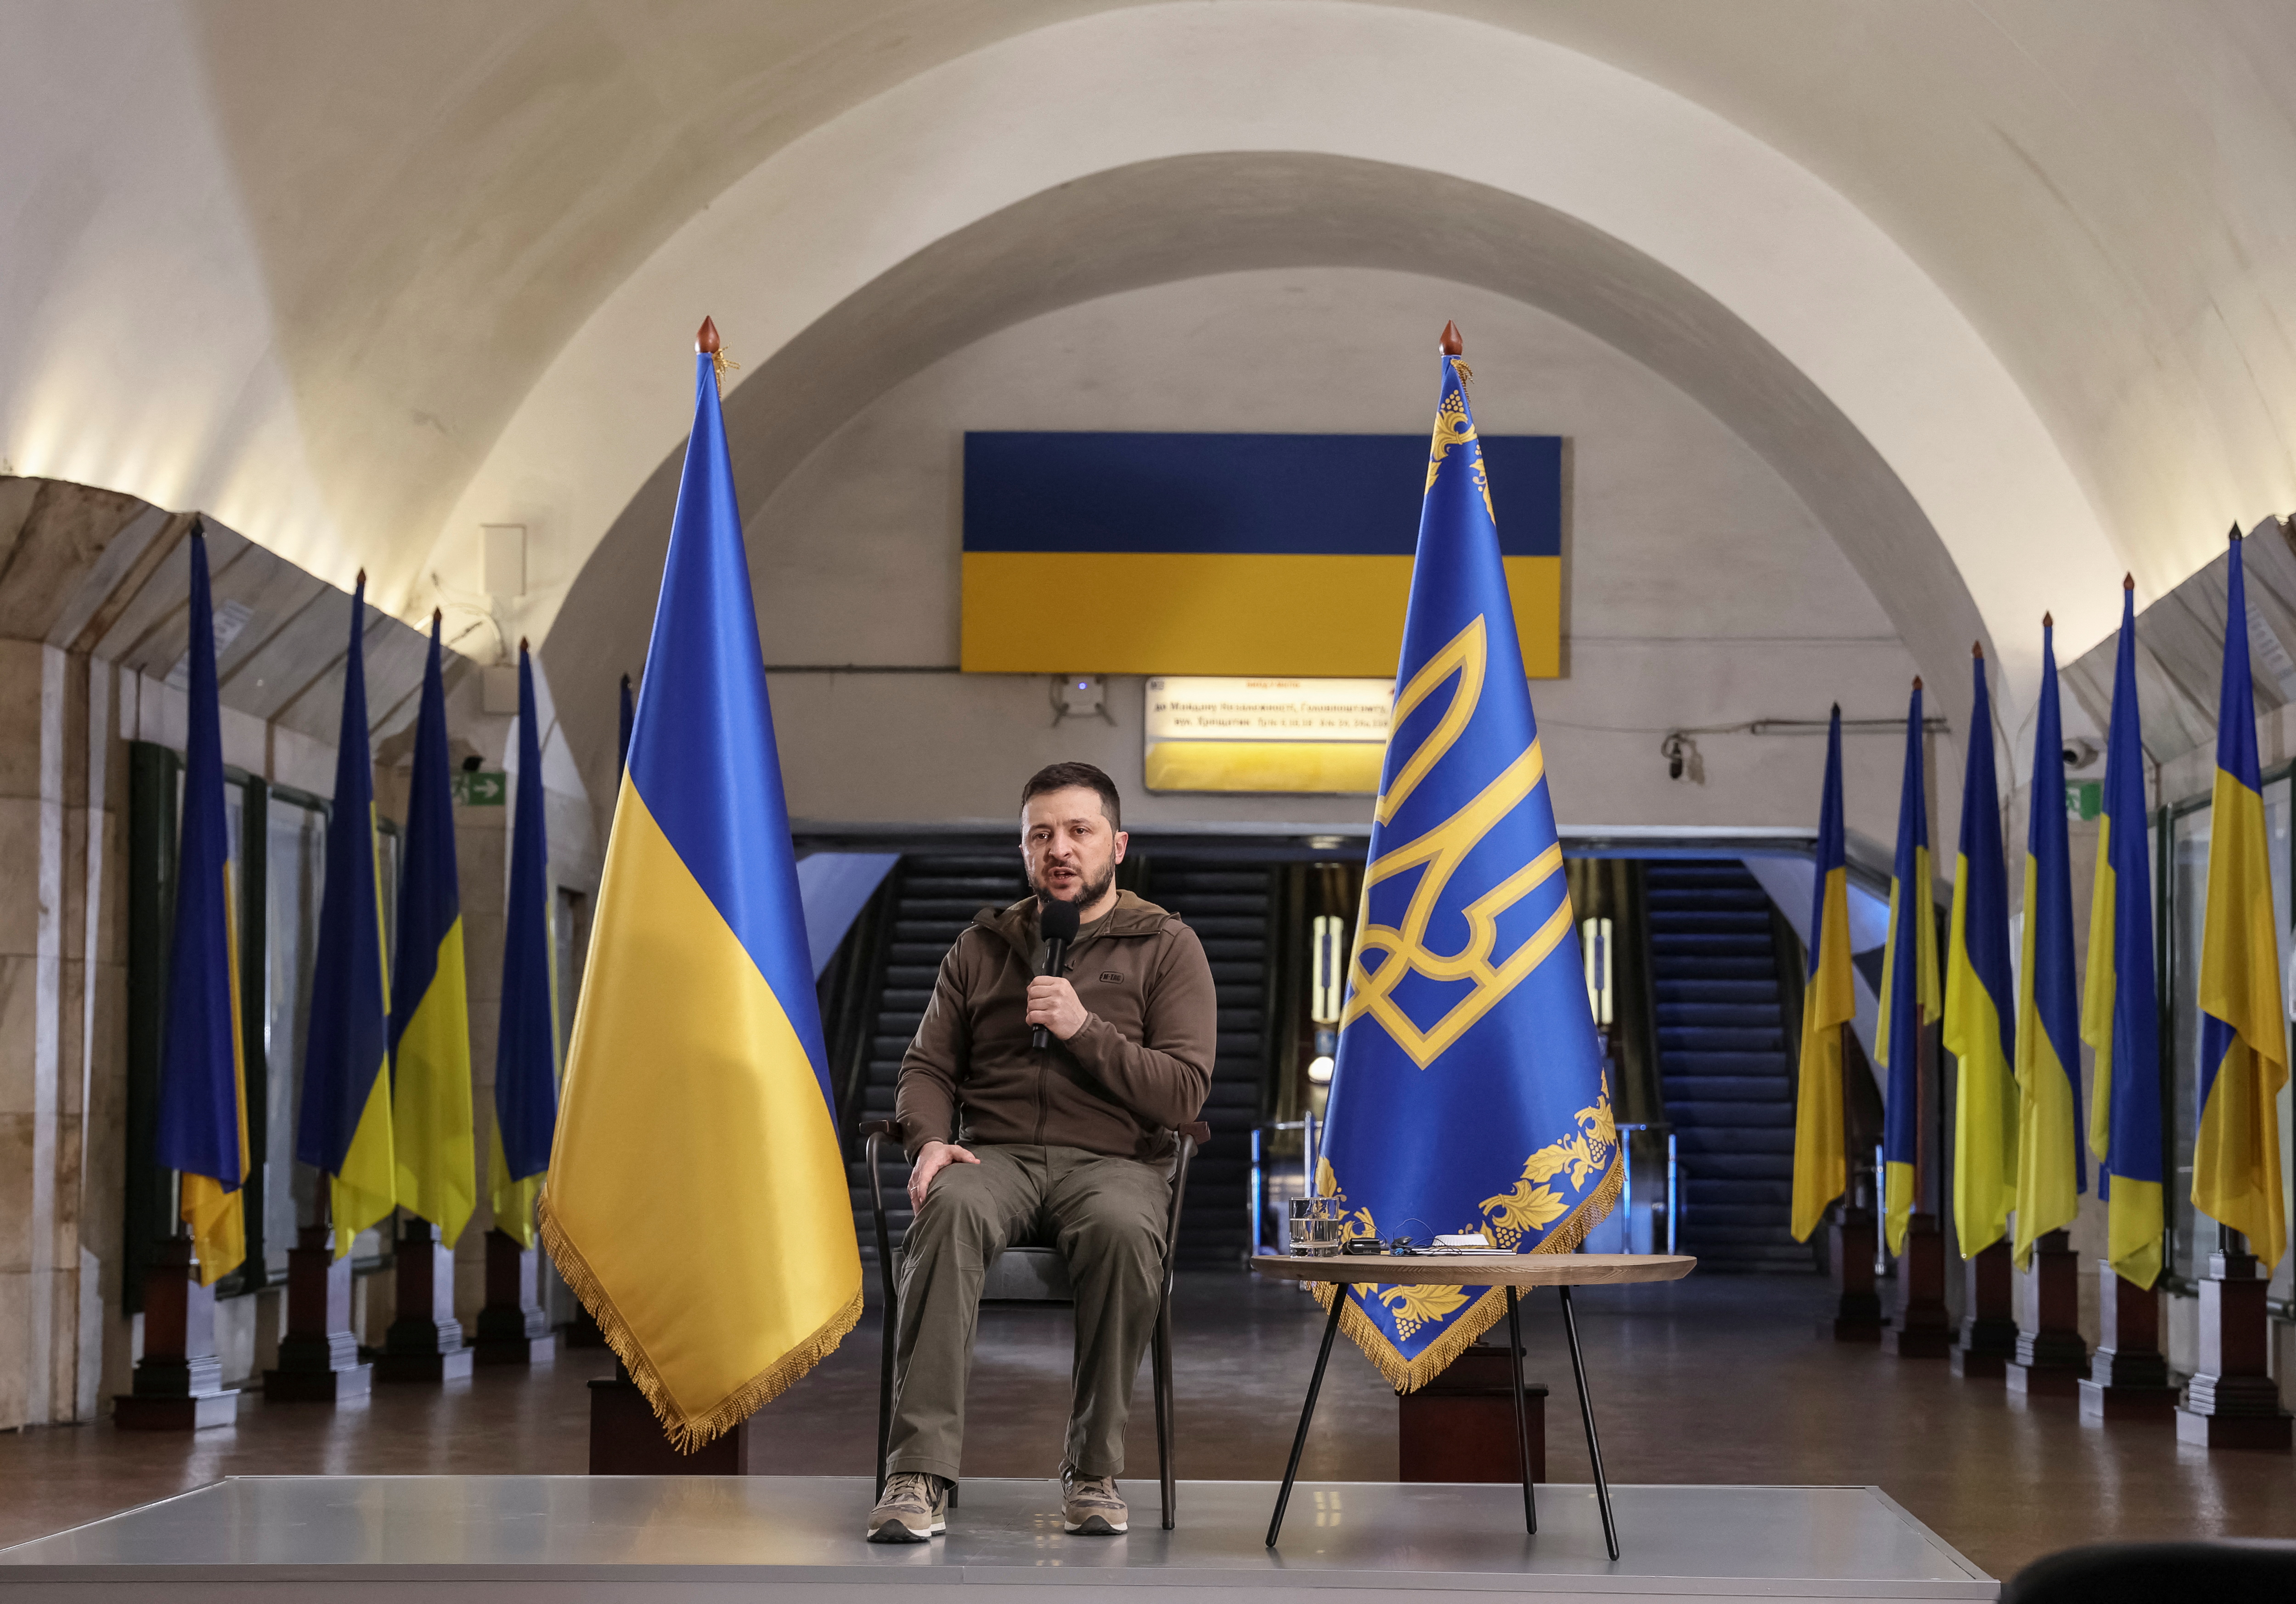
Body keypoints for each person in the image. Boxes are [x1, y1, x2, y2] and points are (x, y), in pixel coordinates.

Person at [867, 761, 1217, 1542]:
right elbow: (926, 1068)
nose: (1060, 848)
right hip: (995, 1159)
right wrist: (931, 1142)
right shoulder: (981, 947)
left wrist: (1083, 1028)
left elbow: (1184, 1093)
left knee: (1125, 1231)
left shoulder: (1168, 946)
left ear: (1117, 845)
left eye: (1079, 831)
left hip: (1115, 1165)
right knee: (949, 1208)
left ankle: (1093, 1469)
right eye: (1041, 834)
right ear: (1024, 849)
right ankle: (917, 1472)